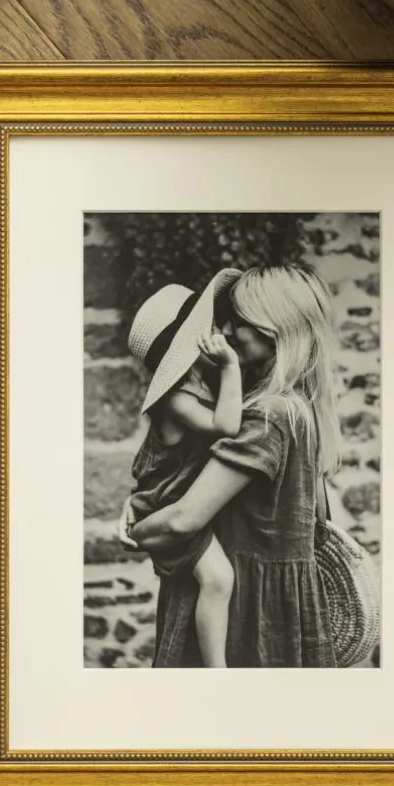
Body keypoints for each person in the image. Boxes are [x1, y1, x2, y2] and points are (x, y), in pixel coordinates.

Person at [127, 264, 342, 668]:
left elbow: (183, 521)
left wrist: (136, 529)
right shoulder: (296, 409)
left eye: (239, 321)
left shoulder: (268, 416)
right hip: (274, 606)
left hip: (248, 613)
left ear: (273, 329)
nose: (226, 330)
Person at [120, 270, 244, 668]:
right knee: (218, 579)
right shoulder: (177, 400)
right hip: (167, 500)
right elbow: (227, 426)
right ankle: (216, 670)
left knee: (216, 580)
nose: (222, 333)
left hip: (180, 493)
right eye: (210, 330)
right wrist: (231, 366)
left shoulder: (202, 384)